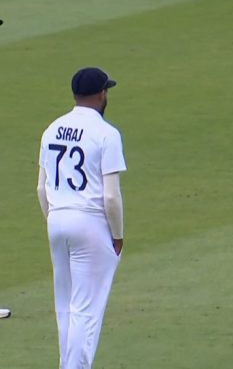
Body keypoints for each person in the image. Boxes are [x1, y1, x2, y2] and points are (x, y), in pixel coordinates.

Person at [37, 67, 126, 369]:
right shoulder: (107, 133)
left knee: (65, 307)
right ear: (102, 94)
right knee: (86, 312)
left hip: (57, 219)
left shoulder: (52, 128)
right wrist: (117, 236)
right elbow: (111, 197)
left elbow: (41, 187)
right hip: (89, 223)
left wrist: (55, 218)